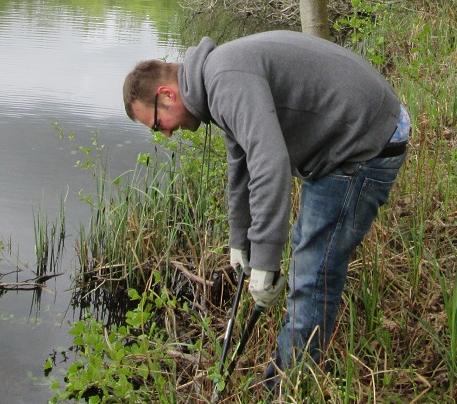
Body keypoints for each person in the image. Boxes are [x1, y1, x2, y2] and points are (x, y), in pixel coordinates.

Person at [122, 29, 411, 383]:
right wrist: (240, 240)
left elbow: (269, 163)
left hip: (366, 138)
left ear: (166, 94)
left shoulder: (225, 79)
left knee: (311, 266)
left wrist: (265, 262)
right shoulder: (215, 79)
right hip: (349, 133)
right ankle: (295, 370)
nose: (164, 133)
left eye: (156, 124)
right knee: (311, 256)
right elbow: (240, 164)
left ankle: (289, 383)